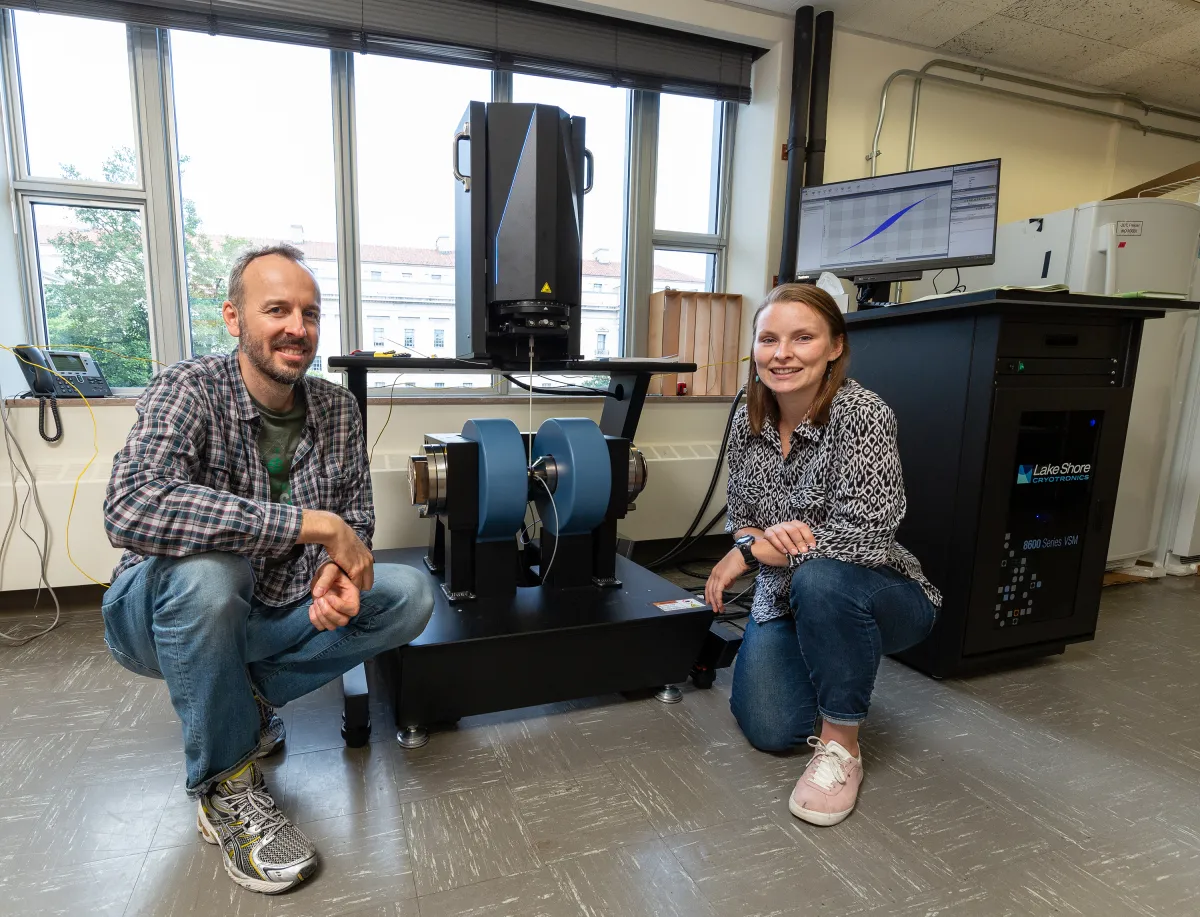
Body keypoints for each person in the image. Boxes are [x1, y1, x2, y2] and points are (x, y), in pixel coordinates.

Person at [101, 243, 434, 894]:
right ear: (234, 317)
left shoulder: (337, 409)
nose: (297, 327)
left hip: (278, 608)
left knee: (410, 595)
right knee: (211, 572)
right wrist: (310, 525)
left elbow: (356, 518)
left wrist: (341, 571)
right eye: (277, 309)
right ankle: (225, 783)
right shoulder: (189, 389)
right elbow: (131, 503)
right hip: (161, 609)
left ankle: (243, 699)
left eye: (310, 313)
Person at [705, 283, 940, 827]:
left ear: (835, 345)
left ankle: (842, 746)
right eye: (769, 339)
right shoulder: (749, 413)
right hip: (783, 599)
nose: (781, 353)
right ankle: (833, 660)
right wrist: (750, 541)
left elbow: (869, 534)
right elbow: (741, 512)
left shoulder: (862, 413)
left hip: (878, 594)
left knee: (821, 578)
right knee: (771, 729)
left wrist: (758, 552)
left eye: (802, 337)